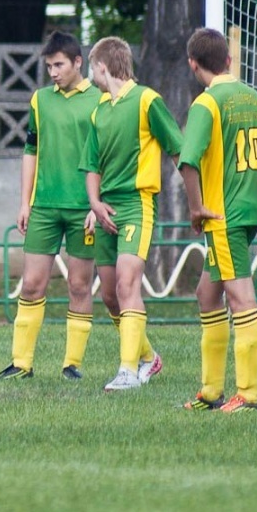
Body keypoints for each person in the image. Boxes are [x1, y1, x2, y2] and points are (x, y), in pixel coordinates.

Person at [178, 27, 257, 412]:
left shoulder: (207, 103)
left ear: (193, 64)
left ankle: (249, 394)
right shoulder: (252, 98)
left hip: (222, 215)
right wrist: (252, 187)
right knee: (207, 294)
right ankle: (211, 392)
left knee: (240, 298)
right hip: (249, 210)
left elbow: (187, 161)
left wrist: (197, 208)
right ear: (227, 60)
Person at [80, 36, 183, 392]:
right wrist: (95, 204)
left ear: (102, 67)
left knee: (127, 284)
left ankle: (127, 371)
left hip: (137, 204)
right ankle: (148, 357)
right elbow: (91, 165)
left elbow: (177, 149)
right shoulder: (99, 110)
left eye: (91, 68)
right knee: (110, 296)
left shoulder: (147, 100)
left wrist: (197, 199)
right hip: (106, 209)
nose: (90, 75)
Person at [0, 31, 102, 381]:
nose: (53, 72)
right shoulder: (40, 100)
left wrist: (97, 204)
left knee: (79, 285)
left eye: (59, 65)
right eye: (49, 66)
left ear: (78, 62)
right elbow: (31, 150)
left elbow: (107, 156)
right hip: (44, 207)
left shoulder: (101, 101)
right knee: (31, 284)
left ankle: (72, 364)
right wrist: (24, 202)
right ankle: (21, 363)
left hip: (83, 209)